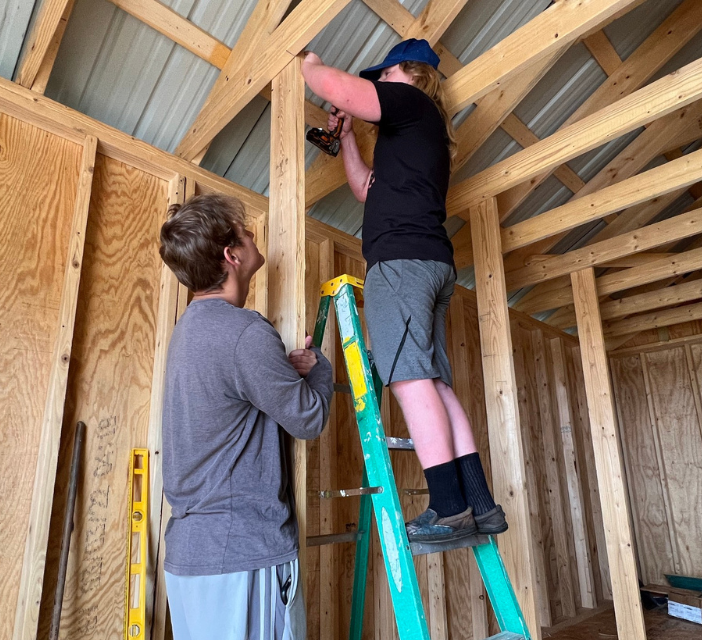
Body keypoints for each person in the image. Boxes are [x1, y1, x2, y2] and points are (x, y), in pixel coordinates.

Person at [301, 39, 507, 545]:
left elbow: (327, 83)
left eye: (384, 75)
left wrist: (307, 60)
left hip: (401, 265)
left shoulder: (412, 103)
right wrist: (347, 137)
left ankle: (448, 507)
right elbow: (364, 188)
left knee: (410, 381)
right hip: (429, 265)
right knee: (433, 383)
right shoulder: (417, 137)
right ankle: (480, 505)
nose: (379, 84)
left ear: (410, 74)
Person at [158, 193, 333, 640]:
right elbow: (309, 419)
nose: (253, 235)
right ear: (231, 255)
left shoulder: (188, 331)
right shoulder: (244, 333)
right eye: (243, 232)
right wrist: (319, 369)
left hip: (193, 557)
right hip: (238, 557)